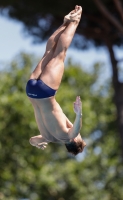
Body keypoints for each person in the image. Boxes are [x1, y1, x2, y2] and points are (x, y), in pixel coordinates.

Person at [26, 5, 86, 155]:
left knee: (60, 54)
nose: (77, 133)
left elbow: (75, 130)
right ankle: (65, 22)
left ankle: (74, 21)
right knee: (48, 52)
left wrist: (78, 114)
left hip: (46, 91)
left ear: (74, 141)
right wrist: (38, 143)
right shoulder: (48, 137)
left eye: (79, 137)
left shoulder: (69, 135)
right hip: (31, 90)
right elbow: (32, 140)